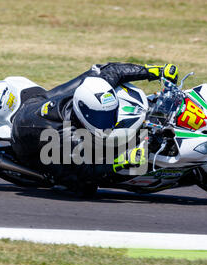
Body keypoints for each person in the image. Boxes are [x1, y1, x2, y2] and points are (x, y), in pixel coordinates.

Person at [11, 62, 179, 193]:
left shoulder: (93, 89)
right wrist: (121, 161)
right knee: (84, 187)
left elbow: (115, 71)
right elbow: (87, 170)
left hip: (38, 101)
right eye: (100, 117)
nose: (106, 121)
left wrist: (154, 71)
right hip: (25, 141)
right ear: (83, 111)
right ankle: (57, 183)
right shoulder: (66, 137)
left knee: (96, 71)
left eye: (109, 114)